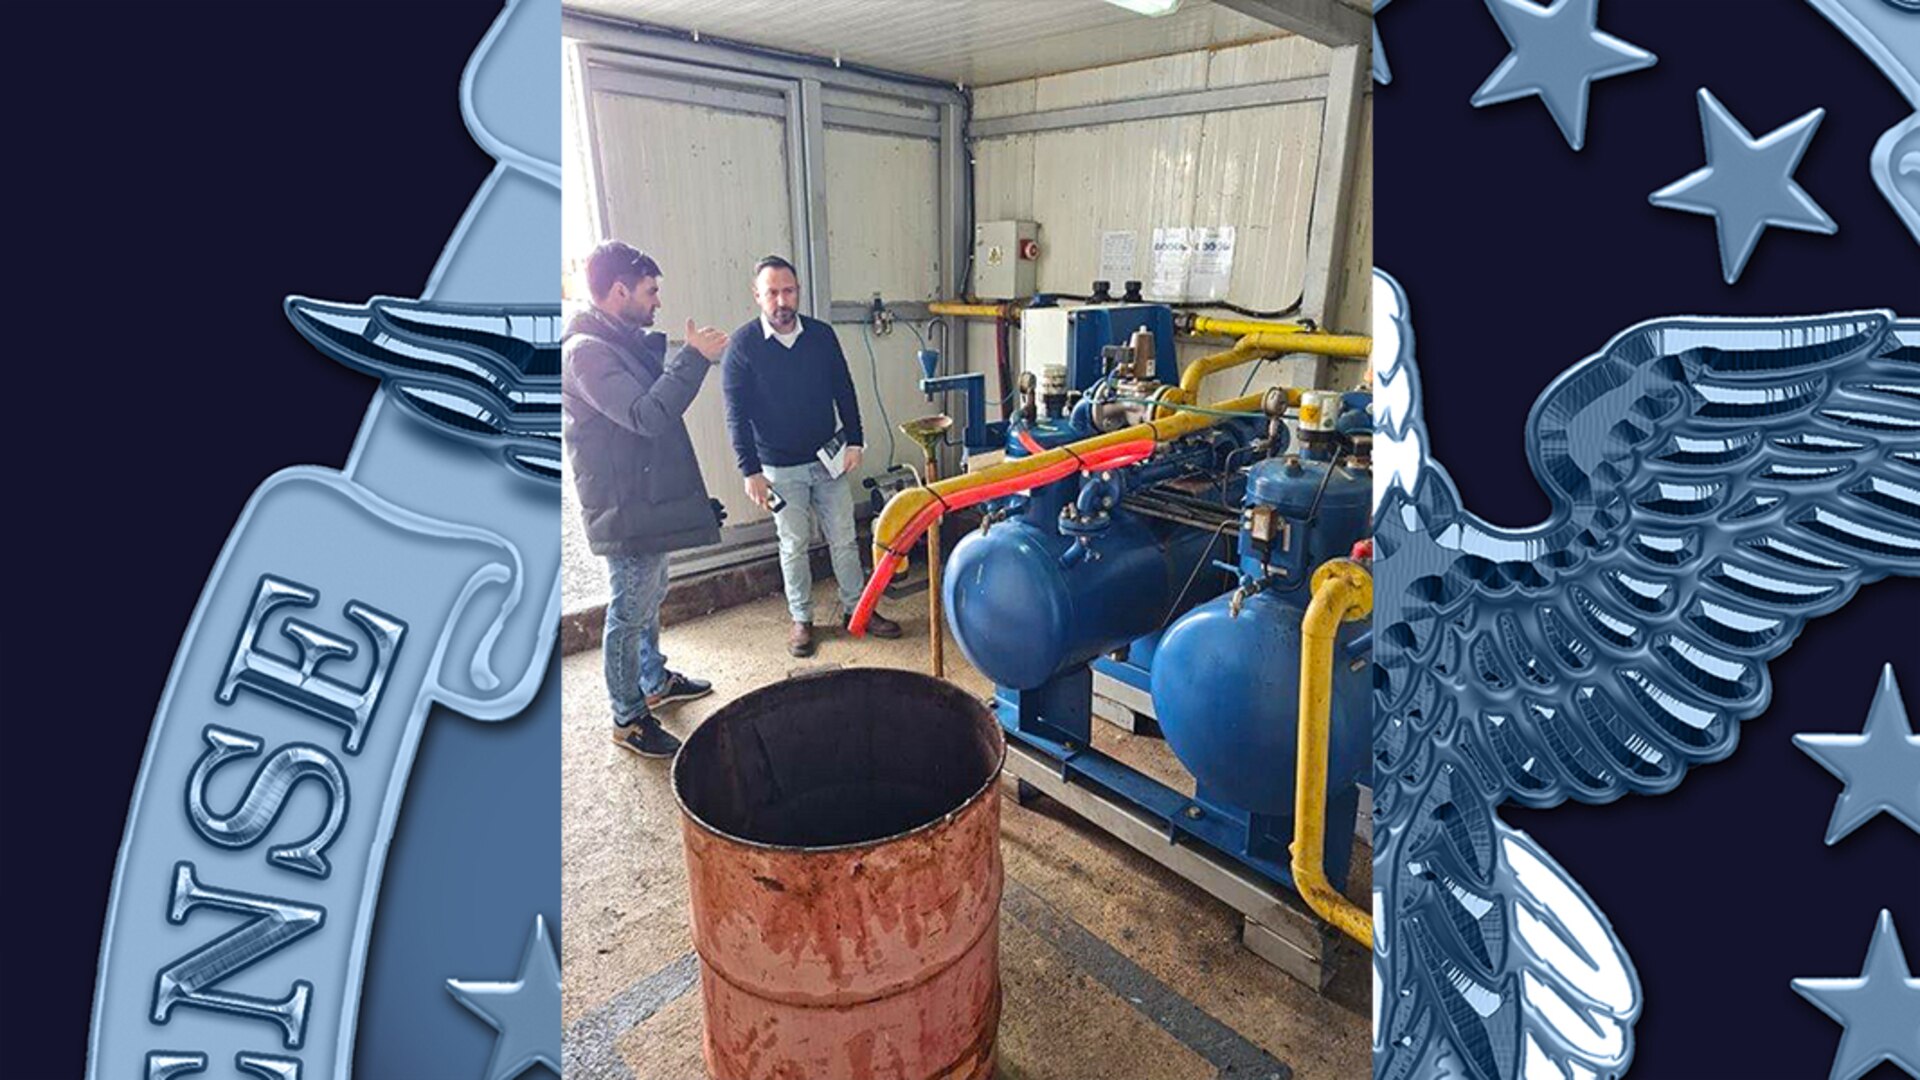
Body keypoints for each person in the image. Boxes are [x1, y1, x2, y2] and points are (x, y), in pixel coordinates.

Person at [562, 241, 728, 758]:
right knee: (629, 606)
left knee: (650, 594)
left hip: (642, 496)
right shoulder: (587, 354)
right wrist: (694, 360)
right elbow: (646, 416)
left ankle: (653, 680)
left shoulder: (619, 342)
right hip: (623, 504)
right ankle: (627, 716)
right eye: (650, 291)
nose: (658, 302)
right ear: (618, 291)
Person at [722, 255, 901, 657]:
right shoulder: (743, 346)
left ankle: (859, 609)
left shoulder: (821, 335)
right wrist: (750, 470)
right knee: (793, 544)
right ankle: (801, 619)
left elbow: (845, 388)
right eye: (772, 293)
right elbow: (735, 413)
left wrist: (855, 440)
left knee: (843, 538)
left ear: (798, 291)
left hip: (829, 459)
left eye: (789, 291)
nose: (782, 300)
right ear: (757, 296)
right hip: (778, 467)